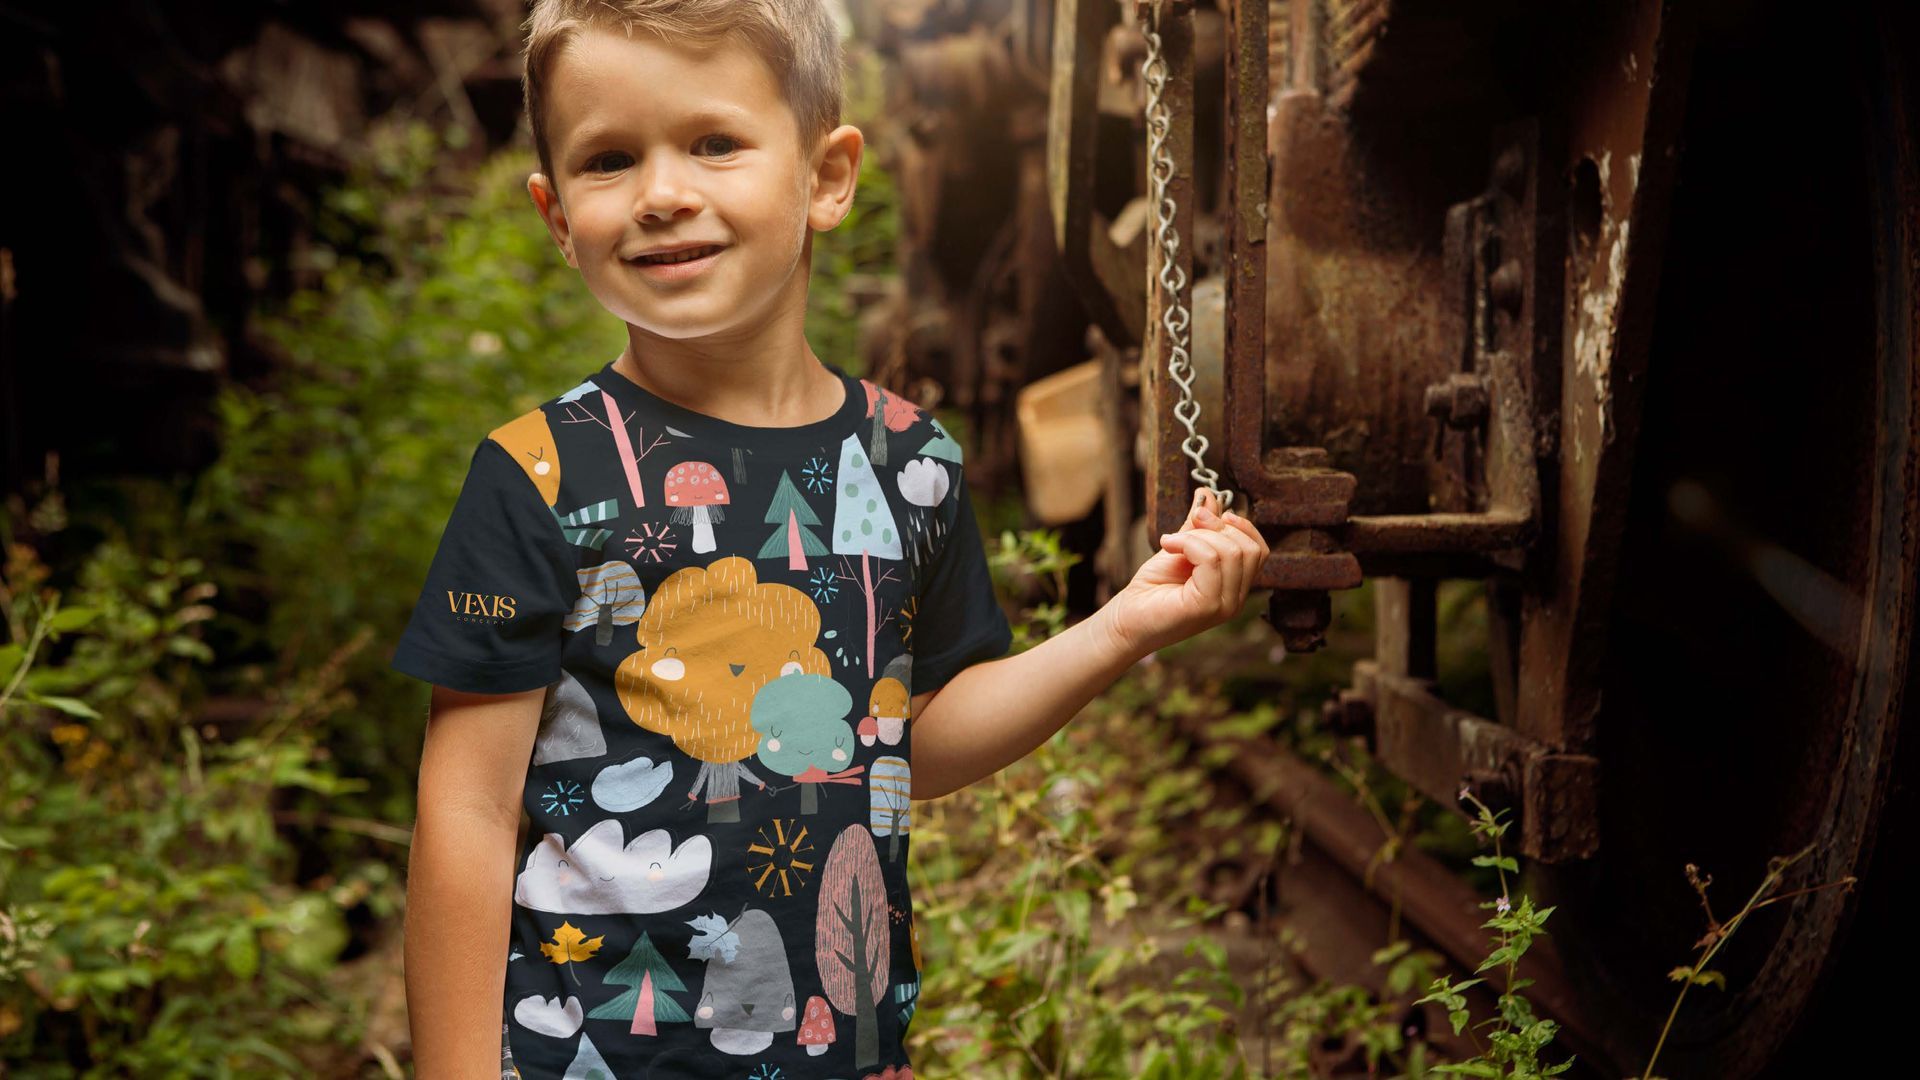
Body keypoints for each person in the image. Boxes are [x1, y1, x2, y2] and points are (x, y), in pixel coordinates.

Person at [391, 1, 1272, 1076]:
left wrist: (1122, 627)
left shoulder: (912, 463)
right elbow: (468, 815)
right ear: (558, 215)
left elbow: (913, 738)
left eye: (714, 142)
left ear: (827, 177)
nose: (665, 194)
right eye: (610, 159)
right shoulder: (538, 475)